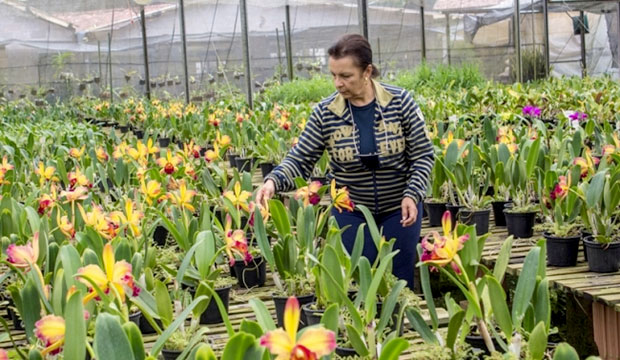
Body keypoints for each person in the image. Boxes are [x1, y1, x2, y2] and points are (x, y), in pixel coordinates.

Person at [256, 34, 434, 289]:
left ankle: (397, 328)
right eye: (333, 75)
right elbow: (301, 157)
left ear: (367, 71)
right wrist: (273, 181)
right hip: (350, 211)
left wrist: (412, 193)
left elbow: (423, 155)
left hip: (400, 208)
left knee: (399, 283)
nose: (338, 83)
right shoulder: (325, 113)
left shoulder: (400, 103)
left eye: (346, 76)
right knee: (358, 283)